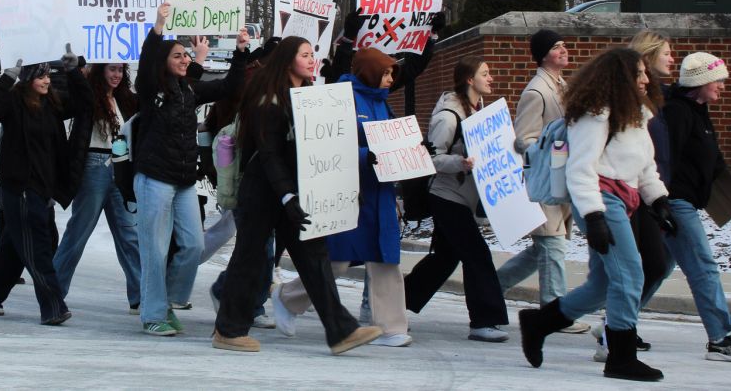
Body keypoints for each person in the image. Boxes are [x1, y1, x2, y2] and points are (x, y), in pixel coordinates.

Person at [212, 37, 382, 354]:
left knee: (315, 258)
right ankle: (228, 331)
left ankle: (341, 331)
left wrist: (341, 186)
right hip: (263, 193)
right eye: (305, 54)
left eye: (312, 54)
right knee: (249, 260)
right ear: (288, 59)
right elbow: (269, 155)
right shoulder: (267, 99)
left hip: (291, 194)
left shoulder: (303, 97)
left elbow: (322, 146)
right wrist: (287, 197)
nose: (311, 59)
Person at [519, 47, 677, 382]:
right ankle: (620, 357)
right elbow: (580, 169)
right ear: (620, 77)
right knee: (631, 274)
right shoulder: (595, 114)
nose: (647, 80)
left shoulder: (635, 114)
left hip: (626, 197)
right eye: (639, 74)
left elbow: (644, 166)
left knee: (601, 285)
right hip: (602, 199)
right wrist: (594, 217)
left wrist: (658, 200)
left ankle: (539, 323)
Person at [277, 47, 412, 347]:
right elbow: (332, 143)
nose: (391, 79)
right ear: (370, 71)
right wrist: (368, 156)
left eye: (392, 73)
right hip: (348, 191)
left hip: (380, 192)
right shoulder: (343, 97)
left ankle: (391, 326)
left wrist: (410, 152)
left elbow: (388, 140)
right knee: (337, 260)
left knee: (385, 258)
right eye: (386, 73)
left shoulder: (382, 103)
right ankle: (288, 297)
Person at [132, 3, 249, 336]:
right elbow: (147, 60)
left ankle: (167, 299)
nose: (185, 59)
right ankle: (153, 315)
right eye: (178, 56)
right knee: (154, 249)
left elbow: (229, 88)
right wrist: (159, 24)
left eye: (186, 56)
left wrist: (240, 52)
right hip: (154, 179)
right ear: (163, 63)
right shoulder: (151, 89)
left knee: (195, 245)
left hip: (183, 181)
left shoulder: (190, 91)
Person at [0, 49, 88, 325]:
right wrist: (6, 79)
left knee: (17, 245)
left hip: (43, 188)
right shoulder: (13, 102)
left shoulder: (52, 104)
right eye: (40, 76)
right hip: (21, 187)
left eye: (48, 75)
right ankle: (53, 307)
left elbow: (85, 103)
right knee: (38, 248)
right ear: (27, 79)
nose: (47, 80)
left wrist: (73, 72)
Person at [403, 57, 510, 342]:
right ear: (468, 79)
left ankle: (394, 304)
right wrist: (461, 163)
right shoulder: (448, 116)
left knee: (444, 259)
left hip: (462, 196)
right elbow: (431, 158)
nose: (491, 79)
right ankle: (484, 320)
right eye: (485, 73)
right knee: (477, 255)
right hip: (446, 195)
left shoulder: (479, 112)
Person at [497, 29, 588, 334]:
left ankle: (491, 287)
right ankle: (554, 310)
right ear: (544, 54)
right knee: (552, 245)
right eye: (557, 46)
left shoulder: (562, 86)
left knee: (544, 249)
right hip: (544, 179)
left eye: (564, 44)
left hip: (563, 179)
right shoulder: (536, 91)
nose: (564, 50)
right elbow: (523, 140)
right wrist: (553, 147)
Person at [660, 52, 731, 362]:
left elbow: (714, 161)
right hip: (675, 202)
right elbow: (666, 160)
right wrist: (662, 204)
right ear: (701, 81)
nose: (722, 86)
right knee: (703, 265)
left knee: (658, 269)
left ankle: (616, 325)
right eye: (718, 80)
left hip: (687, 201)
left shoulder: (699, 109)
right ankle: (720, 338)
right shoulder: (679, 113)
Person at [52, 62, 142, 313]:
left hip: (120, 168)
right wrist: (73, 72)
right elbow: (62, 102)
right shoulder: (87, 95)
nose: (116, 75)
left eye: (120, 70)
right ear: (100, 70)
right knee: (78, 232)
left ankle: (141, 295)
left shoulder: (125, 99)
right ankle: (54, 292)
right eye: (111, 69)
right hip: (94, 166)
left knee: (129, 234)